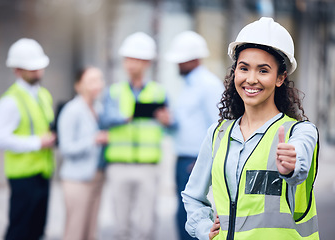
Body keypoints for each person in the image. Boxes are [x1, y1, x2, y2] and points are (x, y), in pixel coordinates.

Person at [182, 17, 319, 240]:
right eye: (244, 68)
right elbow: (193, 196)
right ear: (235, 72)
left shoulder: (300, 132)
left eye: (263, 71)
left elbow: (299, 164)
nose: (251, 79)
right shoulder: (218, 134)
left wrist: (292, 166)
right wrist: (203, 227)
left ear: (280, 78)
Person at [102, 32, 171, 240]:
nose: (130, 64)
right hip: (119, 165)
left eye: (135, 59)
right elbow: (103, 119)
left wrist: (167, 119)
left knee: (147, 226)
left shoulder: (160, 92)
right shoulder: (113, 92)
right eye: (127, 59)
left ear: (147, 62)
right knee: (121, 226)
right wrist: (125, 117)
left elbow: (171, 124)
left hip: (148, 167)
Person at [0, 38, 56, 240]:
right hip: (23, 177)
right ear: (17, 70)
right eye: (32, 68)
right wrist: (37, 142)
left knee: (37, 231)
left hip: (43, 172)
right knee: (19, 231)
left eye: (39, 67)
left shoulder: (44, 95)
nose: (38, 72)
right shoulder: (10, 101)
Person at [165, 31, 224, 240]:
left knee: (192, 219)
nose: (177, 65)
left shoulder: (208, 85)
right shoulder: (188, 86)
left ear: (194, 59)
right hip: (183, 159)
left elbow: (219, 127)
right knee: (182, 218)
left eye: (181, 61)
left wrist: (203, 162)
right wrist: (168, 122)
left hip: (194, 161)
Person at [57, 67, 108, 240]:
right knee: (75, 231)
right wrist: (93, 140)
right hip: (77, 180)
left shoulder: (99, 108)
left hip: (96, 176)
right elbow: (66, 148)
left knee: (91, 231)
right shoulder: (72, 110)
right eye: (91, 81)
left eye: (99, 80)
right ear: (79, 85)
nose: (97, 85)